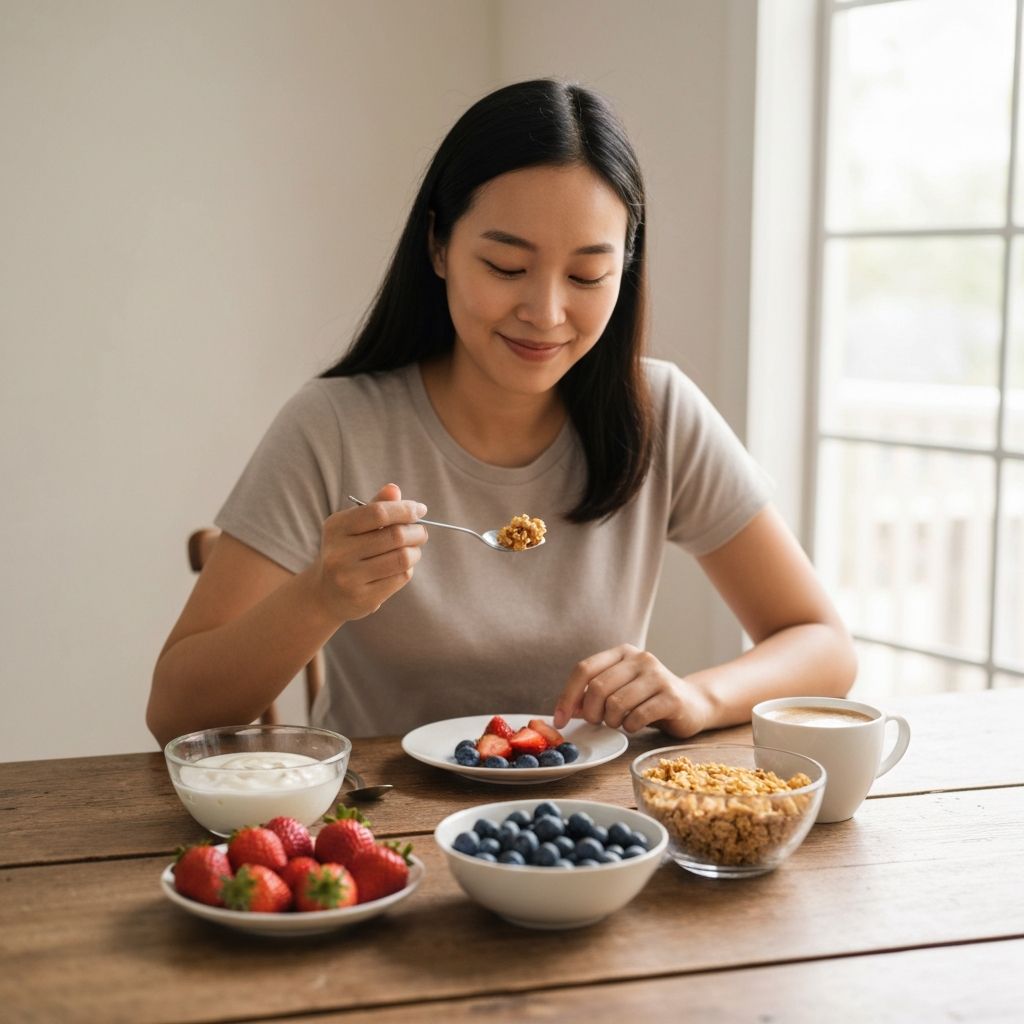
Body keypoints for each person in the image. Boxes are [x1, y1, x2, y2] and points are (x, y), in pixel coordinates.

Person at [146, 78, 856, 749]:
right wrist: (321, 596)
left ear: (624, 272)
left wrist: (699, 696)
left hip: (590, 836)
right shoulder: (335, 424)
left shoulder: (658, 410)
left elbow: (824, 645)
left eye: (586, 276)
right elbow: (176, 714)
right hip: (383, 839)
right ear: (439, 245)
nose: (545, 313)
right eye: (507, 267)